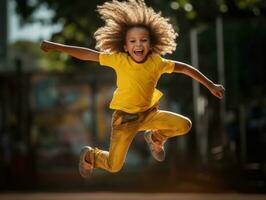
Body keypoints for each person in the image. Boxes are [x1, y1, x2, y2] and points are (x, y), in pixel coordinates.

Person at [40, 0, 225, 178]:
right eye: (133, 41)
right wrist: (56, 47)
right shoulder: (119, 59)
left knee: (184, 125)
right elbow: (88, 54)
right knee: (114, 166)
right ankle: (90, 156)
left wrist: (211, 85)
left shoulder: (157, 62)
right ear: (125, 47)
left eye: (143, 40)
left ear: (151, 44)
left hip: (149, 115)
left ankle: (155, 138)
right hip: (125, 120)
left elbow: (185, 68)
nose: (138, 45)